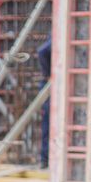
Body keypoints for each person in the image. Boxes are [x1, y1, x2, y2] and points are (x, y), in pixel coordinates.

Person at [38, 35, 52, 169]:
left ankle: (45, 159)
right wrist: (49, 74)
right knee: (49, 123)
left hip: (50, 82)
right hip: (50, 85)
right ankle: (45, 158)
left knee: (48, 124)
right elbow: (42, 51)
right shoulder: (58, 36)